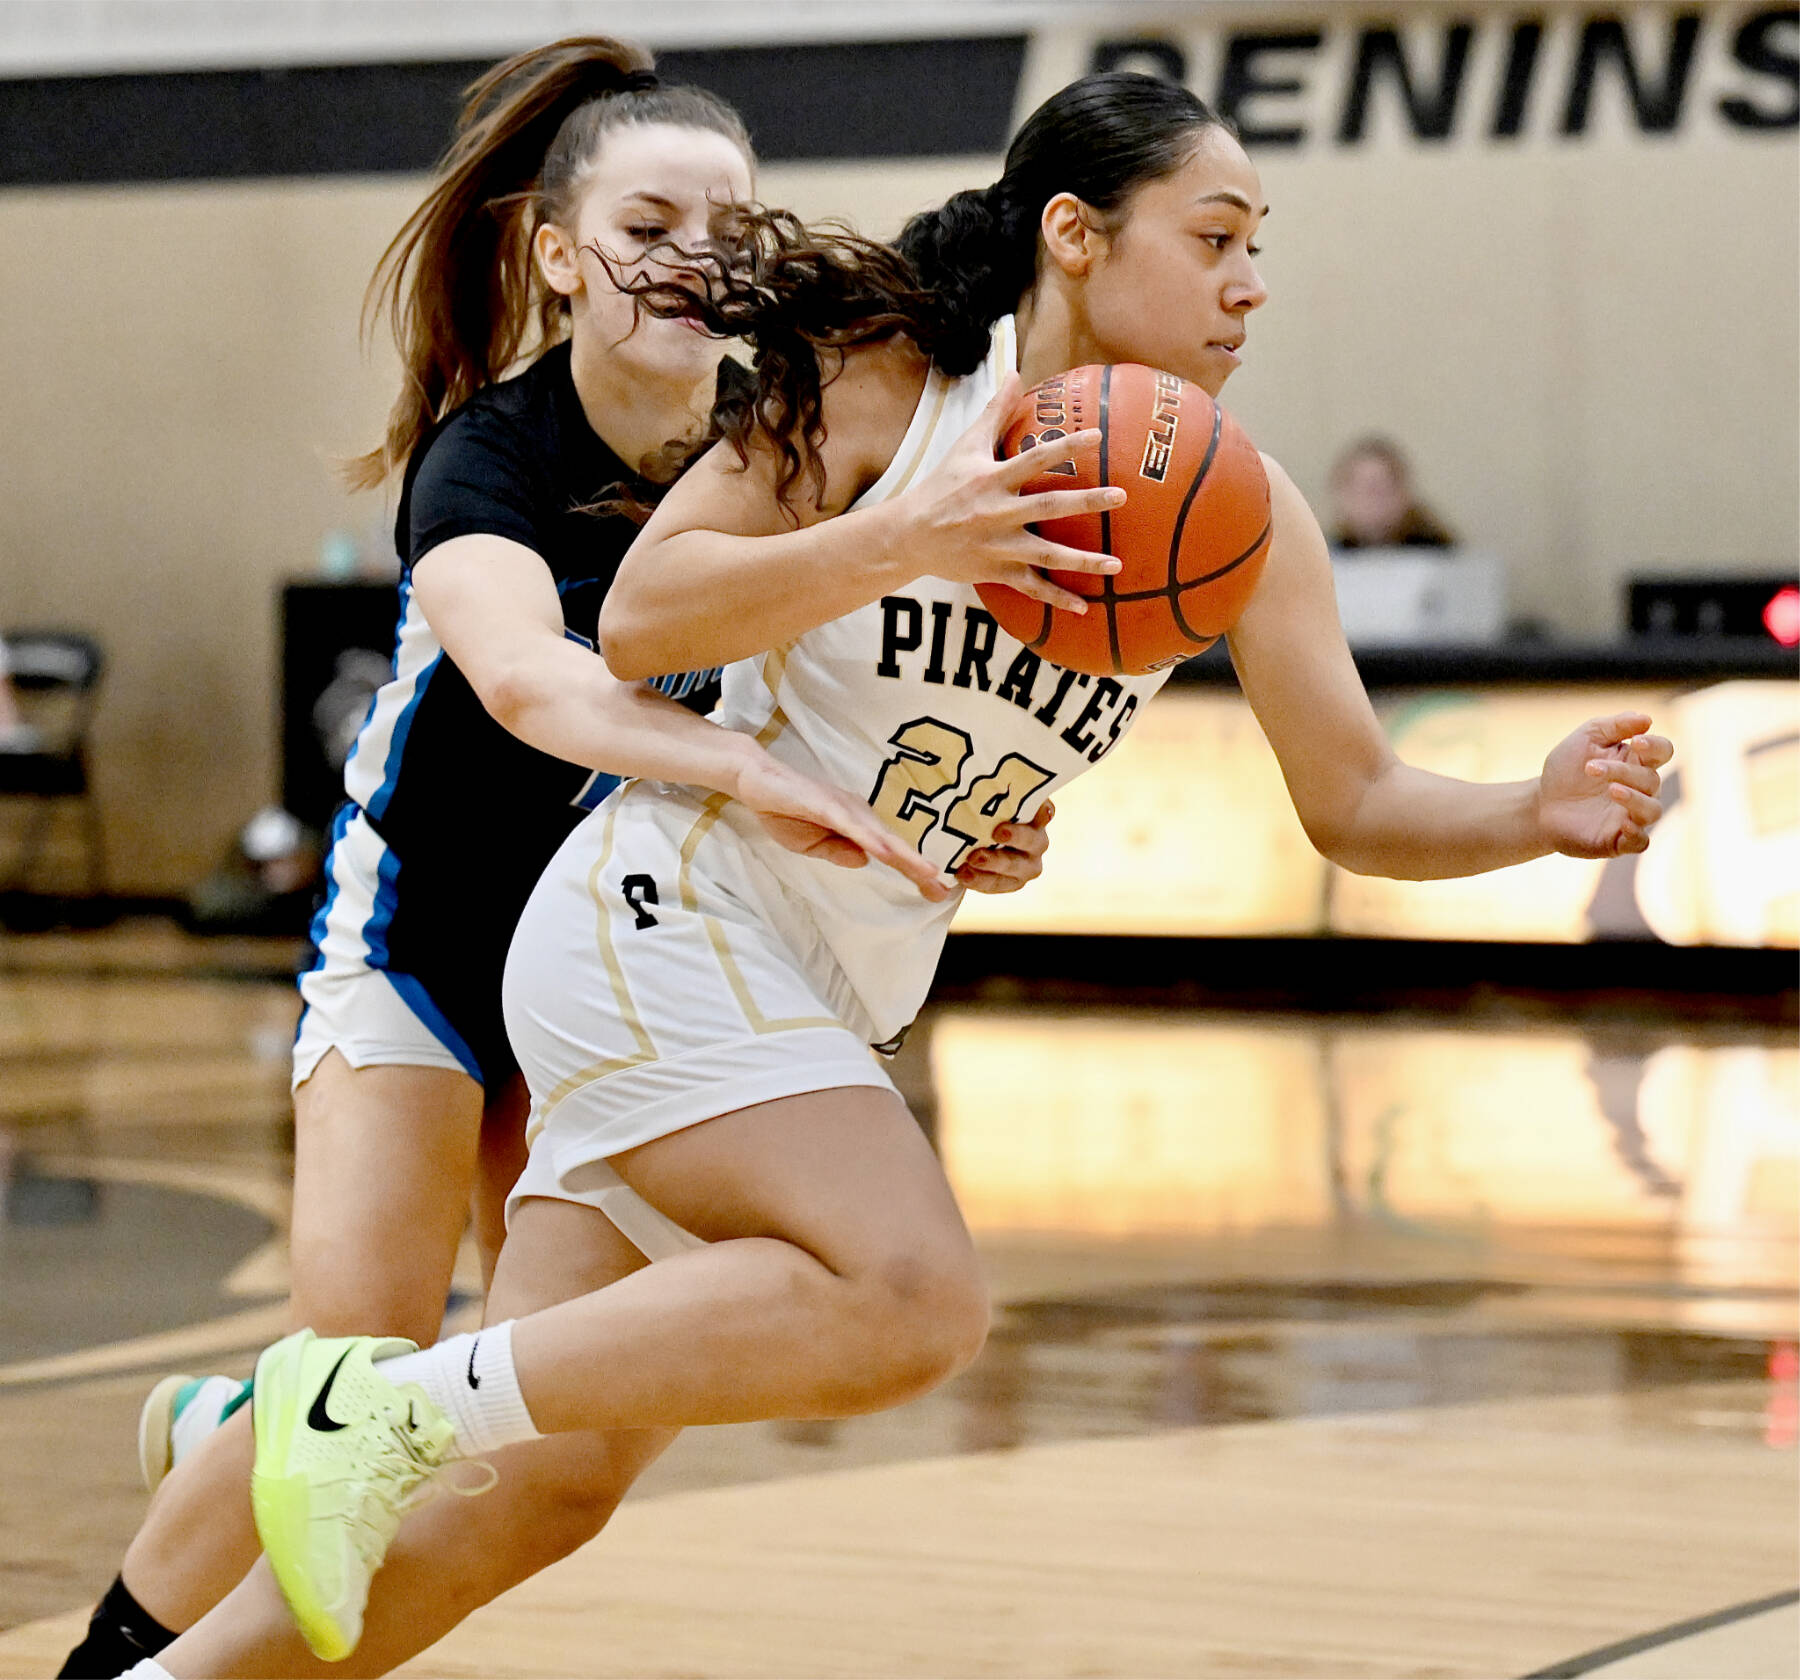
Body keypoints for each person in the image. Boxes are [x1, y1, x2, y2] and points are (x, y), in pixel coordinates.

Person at [134, 69, 1671, 1678]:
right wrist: (908, 538)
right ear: (1075, 235)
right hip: (668, 918)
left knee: (541, 1493)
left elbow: (1354, 799)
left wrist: (1526, 810)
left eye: (1257, 245)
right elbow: (648, 620)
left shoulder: (1243, 511)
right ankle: (363, 1398)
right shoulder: (895, 383)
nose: (1249, 281)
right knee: (916, 1298)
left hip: (818, 980)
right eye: (1214, 236)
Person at [59, 38, 1054, 1680]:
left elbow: (882, 688)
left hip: (636, 964)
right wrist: (733, 756)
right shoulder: (491, 460)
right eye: (648, 221)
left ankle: (226, 1497)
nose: (690, 260)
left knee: (533, 1448)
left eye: (725, 227)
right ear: (559, 252)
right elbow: (529, 684)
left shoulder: (792, 435)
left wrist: (959, 819)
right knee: (358, 1355)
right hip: (428, 946)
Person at [1328, 435, 1457, 549]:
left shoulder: (1438, 553)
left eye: (1382, 490)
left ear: (1404, 493)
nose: (1373, 501)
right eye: (1363, 490)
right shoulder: (1326, 556)